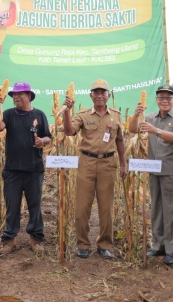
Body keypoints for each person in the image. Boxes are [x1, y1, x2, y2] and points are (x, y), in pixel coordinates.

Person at [62, 79, 127, 259]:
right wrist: (67, 112)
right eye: (96, 93)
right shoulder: (82, 115)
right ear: (91, 96)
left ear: (108, 95)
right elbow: (69, 131)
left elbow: (120, 140)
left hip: (108, 164)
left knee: (106, 208)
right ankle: (83, 244)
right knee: (82, 207)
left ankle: (104, 244)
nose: (99, 96)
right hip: (87, 163)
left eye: (103, 92)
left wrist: (123, 163)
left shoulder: (116, 115)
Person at [128, 84, 173, 265]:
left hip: (172, 170)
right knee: (156, 209)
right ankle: (157, 245)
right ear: (156, 100)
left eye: (168, 98)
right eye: (161, 98)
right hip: (154, 170)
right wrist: (137, 115)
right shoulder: (150, 117)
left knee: (171, 210)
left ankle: (171, 250)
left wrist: (156, 131)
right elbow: (132, 130)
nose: (164, 101)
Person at [0, 82, 51, 254]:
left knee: (35, 205)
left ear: (29, 96)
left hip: (34, 169)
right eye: (13, 95)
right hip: (12, 169)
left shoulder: (39, 115)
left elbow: (48, 136)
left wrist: (42, 141)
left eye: (20, 94)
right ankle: (9, 239)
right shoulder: (9, 114)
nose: (16, 97)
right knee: (12, 205)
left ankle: (36, 238)